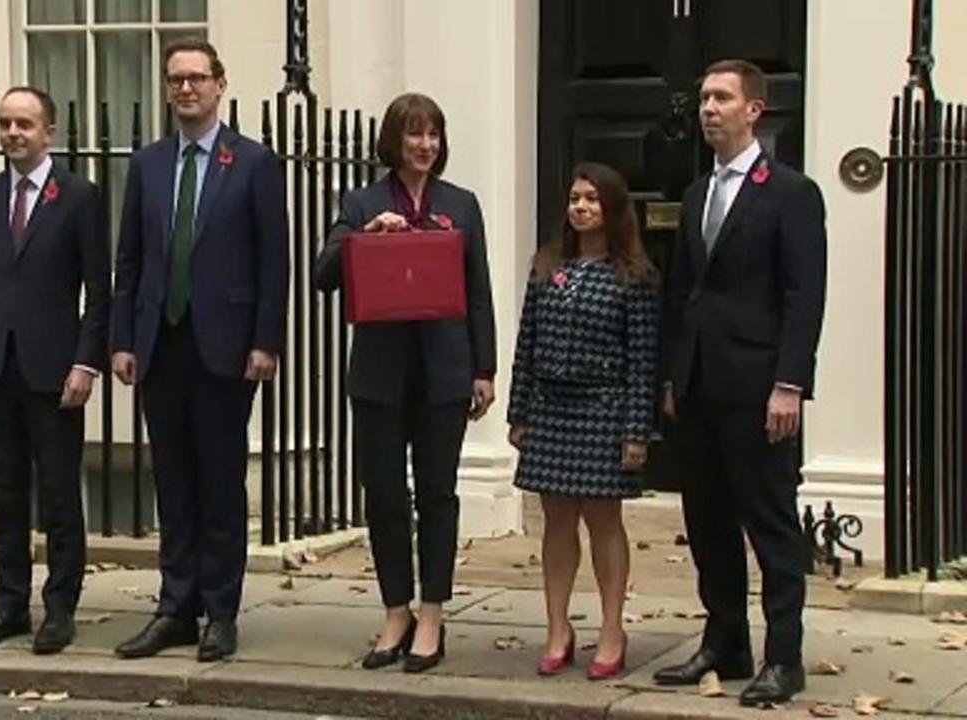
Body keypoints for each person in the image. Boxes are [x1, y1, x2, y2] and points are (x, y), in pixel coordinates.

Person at [653, 59, 827, 706]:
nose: (708, 108)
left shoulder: (790, 192)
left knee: (771, 524)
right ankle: (726, 641)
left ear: (754, 109)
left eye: (722, 97)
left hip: (759, 388)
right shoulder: (697, 193)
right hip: (699, 386)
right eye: (703, 97)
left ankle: (785, 656)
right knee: (708, 522)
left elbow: (802, 296)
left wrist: (790, 384)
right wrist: (673, 377)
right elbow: (684, 294)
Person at [110, 38, 289, 663]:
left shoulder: (253, 163)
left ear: (220, 84)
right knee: (174, 483)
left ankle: (220, 610)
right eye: (176, 79)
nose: (186, 88)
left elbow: (275, 259)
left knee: (219, 482)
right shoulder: (150, 163)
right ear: (166, 89)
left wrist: (267, 340)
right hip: (160, 343)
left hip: (226, 347)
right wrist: (123, 339)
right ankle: (174, 606)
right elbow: (129, 258)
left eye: (197, 78)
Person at [312, 92, 496, 674]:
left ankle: (433, 614)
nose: (425, 146)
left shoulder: (460, 205)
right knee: (386, 496)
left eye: (434, 135)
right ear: (395, 140)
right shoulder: (363, 200)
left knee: (438, 495)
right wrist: (362, 236)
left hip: (443, 372)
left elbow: (479, 291)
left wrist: (484, 369)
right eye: (415, 135)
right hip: (380, 375)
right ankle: (396, 610)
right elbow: (323, 275)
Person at [0, 86, 111, 656]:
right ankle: (9, 603)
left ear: (50, 132)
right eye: (5, 124)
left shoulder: (79, 197)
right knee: (7, 492)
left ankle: (61, 605)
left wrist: (86, 362)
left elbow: (99, 290)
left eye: (25, 124)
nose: (13, 133)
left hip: (54, 370)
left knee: (60, 494)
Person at [507, 162, 657, 681]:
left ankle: (612, 628)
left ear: (612, 208)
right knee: (556, 522)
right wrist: (518, 411)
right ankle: (557, 628)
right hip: (550, 409)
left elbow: (642, 359)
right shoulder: (547, 266)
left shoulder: (633, 276)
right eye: (575, 198)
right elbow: (526, 344)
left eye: (592, 198)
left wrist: (637, 430)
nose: (581, 207)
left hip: (604, 411)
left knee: (603, 522)